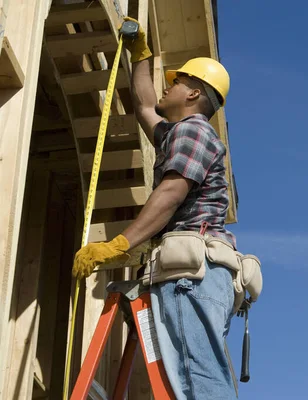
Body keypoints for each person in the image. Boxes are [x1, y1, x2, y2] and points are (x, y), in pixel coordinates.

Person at [72, 16, 238, 399]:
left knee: (199, 382)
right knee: (190, 379)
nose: (168, 84)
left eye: (177, 81)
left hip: (191, 277)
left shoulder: (194, 131)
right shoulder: (176, 133)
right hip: (191, 276)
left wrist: (119, 245)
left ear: (194, 94)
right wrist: (140, 53)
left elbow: (171, 193)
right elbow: (146, 107)